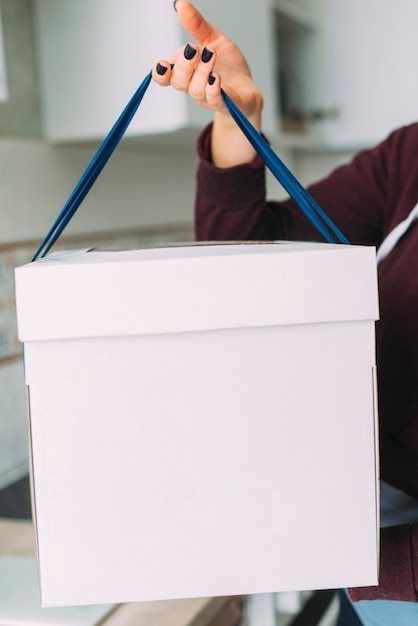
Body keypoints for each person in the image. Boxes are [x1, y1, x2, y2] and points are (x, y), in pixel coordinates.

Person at [152, 1, 418, 624]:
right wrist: (235, 125)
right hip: (371, 543)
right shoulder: (409, 159)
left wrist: (364, 563)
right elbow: (253, 276)